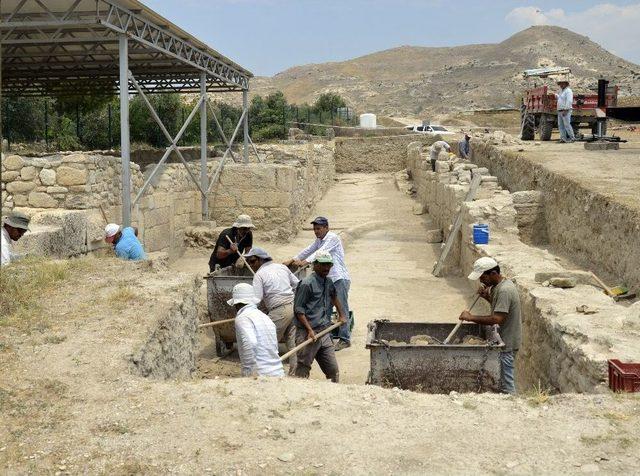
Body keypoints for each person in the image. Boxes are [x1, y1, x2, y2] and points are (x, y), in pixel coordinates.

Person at [285, 216, 352, 351]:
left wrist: (306, 261)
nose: (316, 231)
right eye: (315, 229)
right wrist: (293, 259)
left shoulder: (332, 238)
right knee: (325, 308)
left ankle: (345, 339)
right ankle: (326, 337)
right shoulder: (319, 240)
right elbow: (308, 249)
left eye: (319, 228)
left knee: (342, 308)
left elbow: (321, 253)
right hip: (327, 280)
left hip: (339, 278)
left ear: (327, 228)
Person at [459, 257, 522, 394]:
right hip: (502, 340)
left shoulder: (505, 290)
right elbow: (499, 307)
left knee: (507, 384)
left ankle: (512, 405)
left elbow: (497, 318)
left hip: (507, 343)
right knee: (501, 379)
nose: (481, 281)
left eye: (483, 277)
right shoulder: (498, 286)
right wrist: (486, 297)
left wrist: (470, 318)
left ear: (493, 274)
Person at [293, 251, 347, 382]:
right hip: (307, 333)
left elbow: (334, 296)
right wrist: (310, 330)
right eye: (323, 265)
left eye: (329, 265)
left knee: (333, 371)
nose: (326, 268)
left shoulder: (328, 282)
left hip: (324, 331)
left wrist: (342, 315)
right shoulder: (306, 284)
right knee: (303, 369)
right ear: (315, 265)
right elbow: (299, 310)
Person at [245, 247, 300, 375]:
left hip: (279, 310)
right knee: (293, 343)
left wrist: (246, 312)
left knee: (266, 342)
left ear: (260, 260)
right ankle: (297, 373)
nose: (251, 265)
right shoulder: (282, 267)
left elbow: (257, 299)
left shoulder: (259, 275)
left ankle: (268, 373)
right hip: (293, 307)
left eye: (252, 261)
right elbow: (298, 284)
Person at [227, 283, 284, 377]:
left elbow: (250, 343)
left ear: (236, 304)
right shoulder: (265, 317)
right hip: (278, 372)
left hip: (260, 375)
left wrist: (249, 372)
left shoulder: (242, 318)